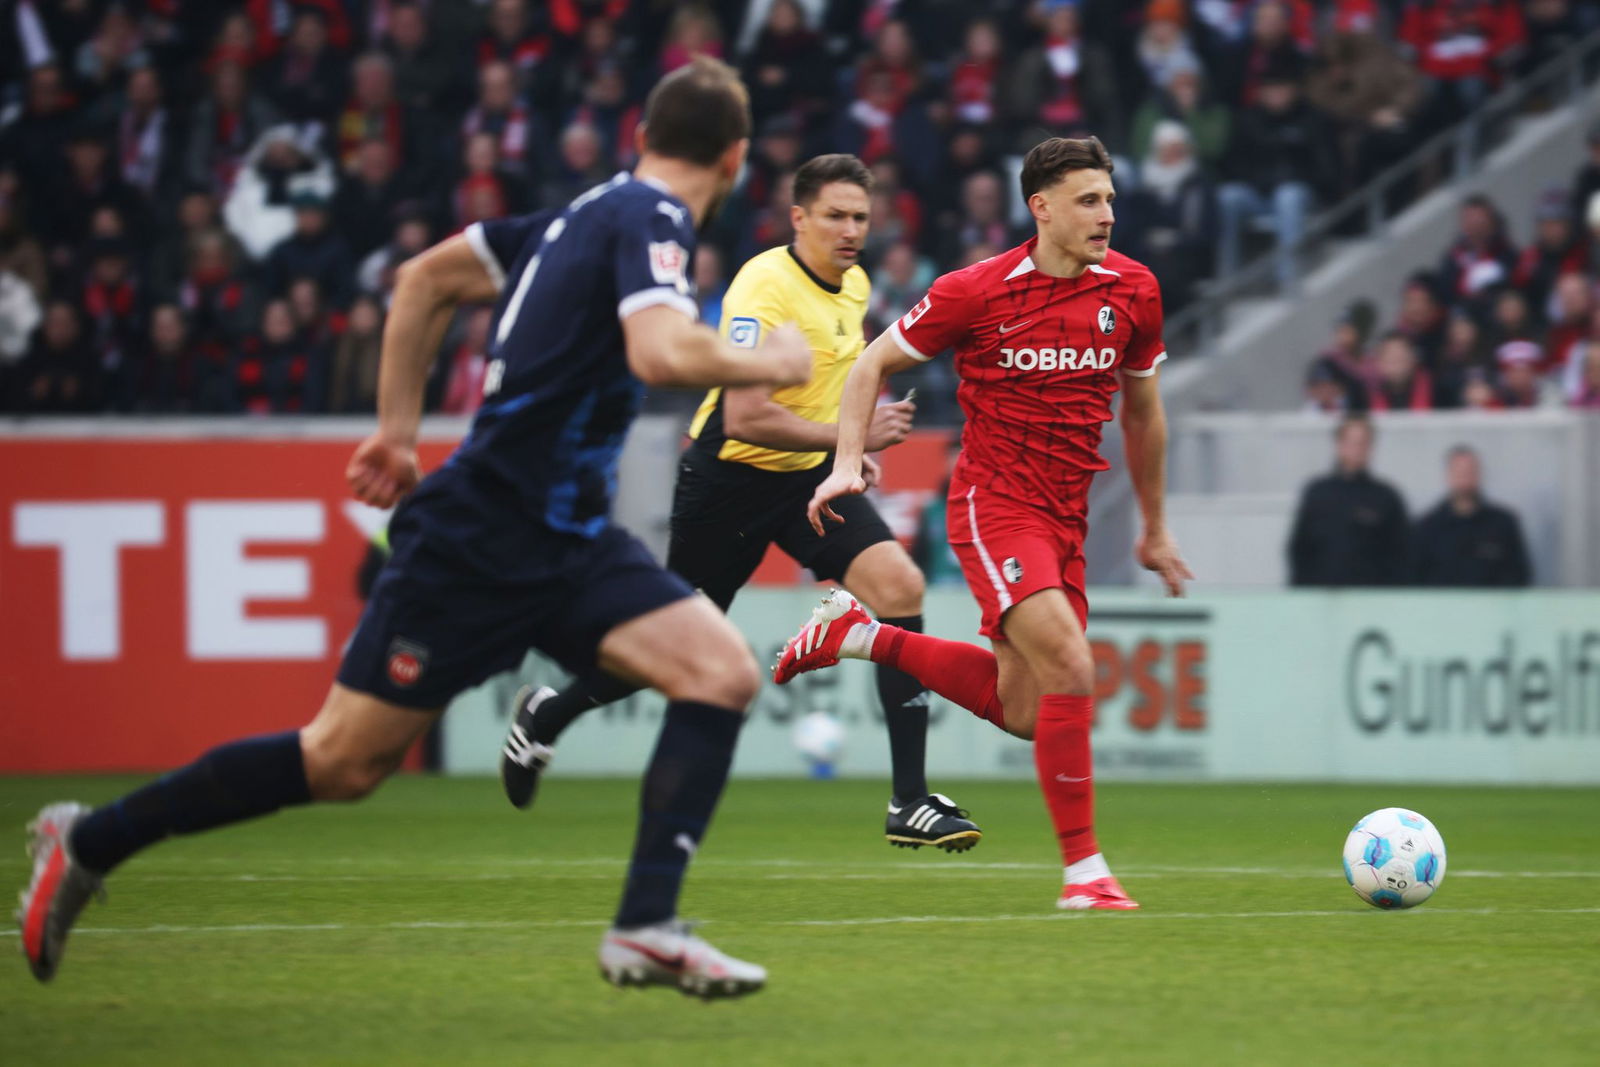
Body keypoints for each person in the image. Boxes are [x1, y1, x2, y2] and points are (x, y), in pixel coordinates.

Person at [18, 57, 810, 999]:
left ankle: (645, 925)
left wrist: (397, 435)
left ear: (641, 135)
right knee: (344, 762)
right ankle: (90, 838)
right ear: (735, 156)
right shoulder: (651, 217)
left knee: (718, 670)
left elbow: (424, 279)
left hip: (563, 540)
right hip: (482, 533)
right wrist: (766, 354)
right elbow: (659, 347)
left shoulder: (573, 216)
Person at [499, 153, 981, 852]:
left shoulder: (853, 286)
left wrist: (849, 453)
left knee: (899, 584)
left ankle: (910, 800)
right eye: (836, 216)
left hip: (804, 478)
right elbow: (746, 416)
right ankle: (549, 713)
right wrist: (849, 435)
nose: (851, 231)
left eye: (860, 218)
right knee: (676, 651)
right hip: (728, 480)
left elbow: (830, 394)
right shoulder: (763, 285)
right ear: (798, 218)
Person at [770, 136, 1192, 911]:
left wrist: (1155, 527)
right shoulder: (977, 291)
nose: (1107, 214)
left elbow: (1144, 414)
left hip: (1067, 516)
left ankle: (855, 636)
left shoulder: (1134, 290)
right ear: (1042, 208)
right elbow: (869, 366)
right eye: (1088, 200)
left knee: (1029, 710)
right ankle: (1084, 874)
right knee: (1072, 664)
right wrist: (843, 462)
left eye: (1110, 199)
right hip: (994, 504)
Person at [1287, 414, 1409, 586]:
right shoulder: (1317, 493)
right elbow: (1299, 551)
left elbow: (1401, 556)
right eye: (1351, 442)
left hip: (1372, 602)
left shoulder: (1386, 497)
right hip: (1322, 602)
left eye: (1363, 443)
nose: (1357, 449)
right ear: (1339, 445)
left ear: (1370, 447)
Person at [1412, 446, 1531, 588]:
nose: (1465, 479)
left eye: (1470, 472)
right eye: (1459, 473)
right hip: (1442, 608)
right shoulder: (1426, 527)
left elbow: (1519, 576)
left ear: (1479, 474)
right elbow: (1415, 579)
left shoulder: (1503, 524)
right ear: (1448, 475)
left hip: (1493, 608)